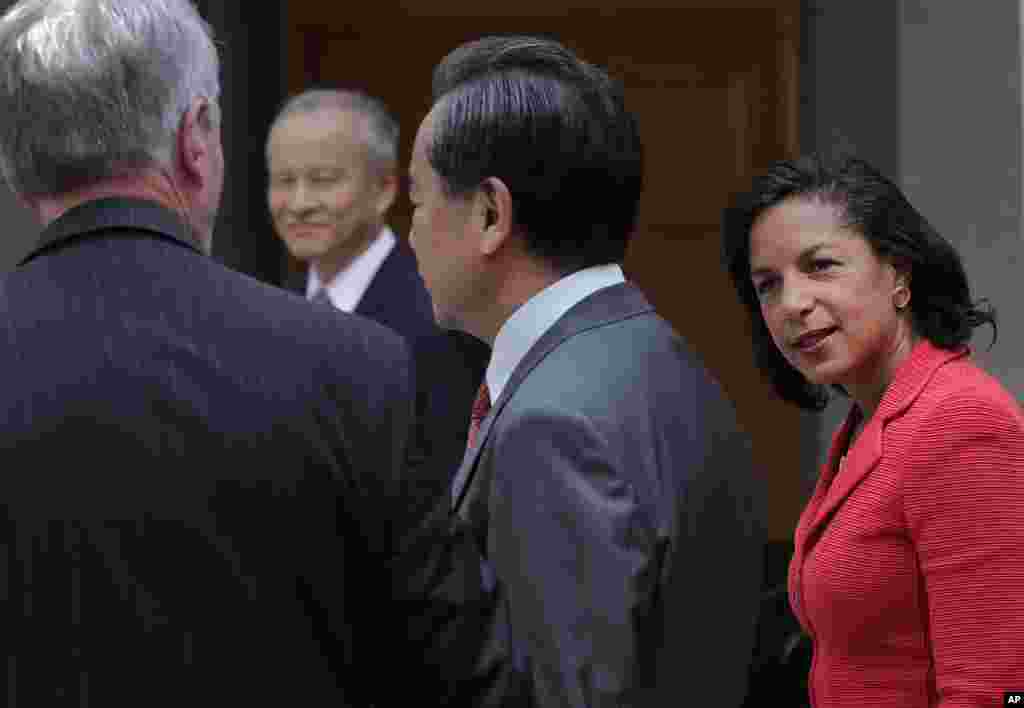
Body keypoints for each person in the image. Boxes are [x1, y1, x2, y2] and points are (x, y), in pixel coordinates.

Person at [0, 1, 422, 703]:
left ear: (14, 165)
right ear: (197, 138)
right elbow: (447, 664)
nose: (299, 202)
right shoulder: (354, 366)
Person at [407, 35, 766, 706]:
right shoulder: (669, 360)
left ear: (490, 213)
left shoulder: (552, 423)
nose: (411, 232)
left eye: (418, 200)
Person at [722, 153, 1024, 707]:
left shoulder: (960, 422)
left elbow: (995, 685)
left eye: (820, 266)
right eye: (768, 285)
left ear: (899, 275)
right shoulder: (872, 418)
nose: (792, 304)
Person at [267, 88, 489, 514]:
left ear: (385, 188)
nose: (299, 204)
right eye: (283, 181)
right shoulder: (272, 307)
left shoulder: (438, 314)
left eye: (323, 180)